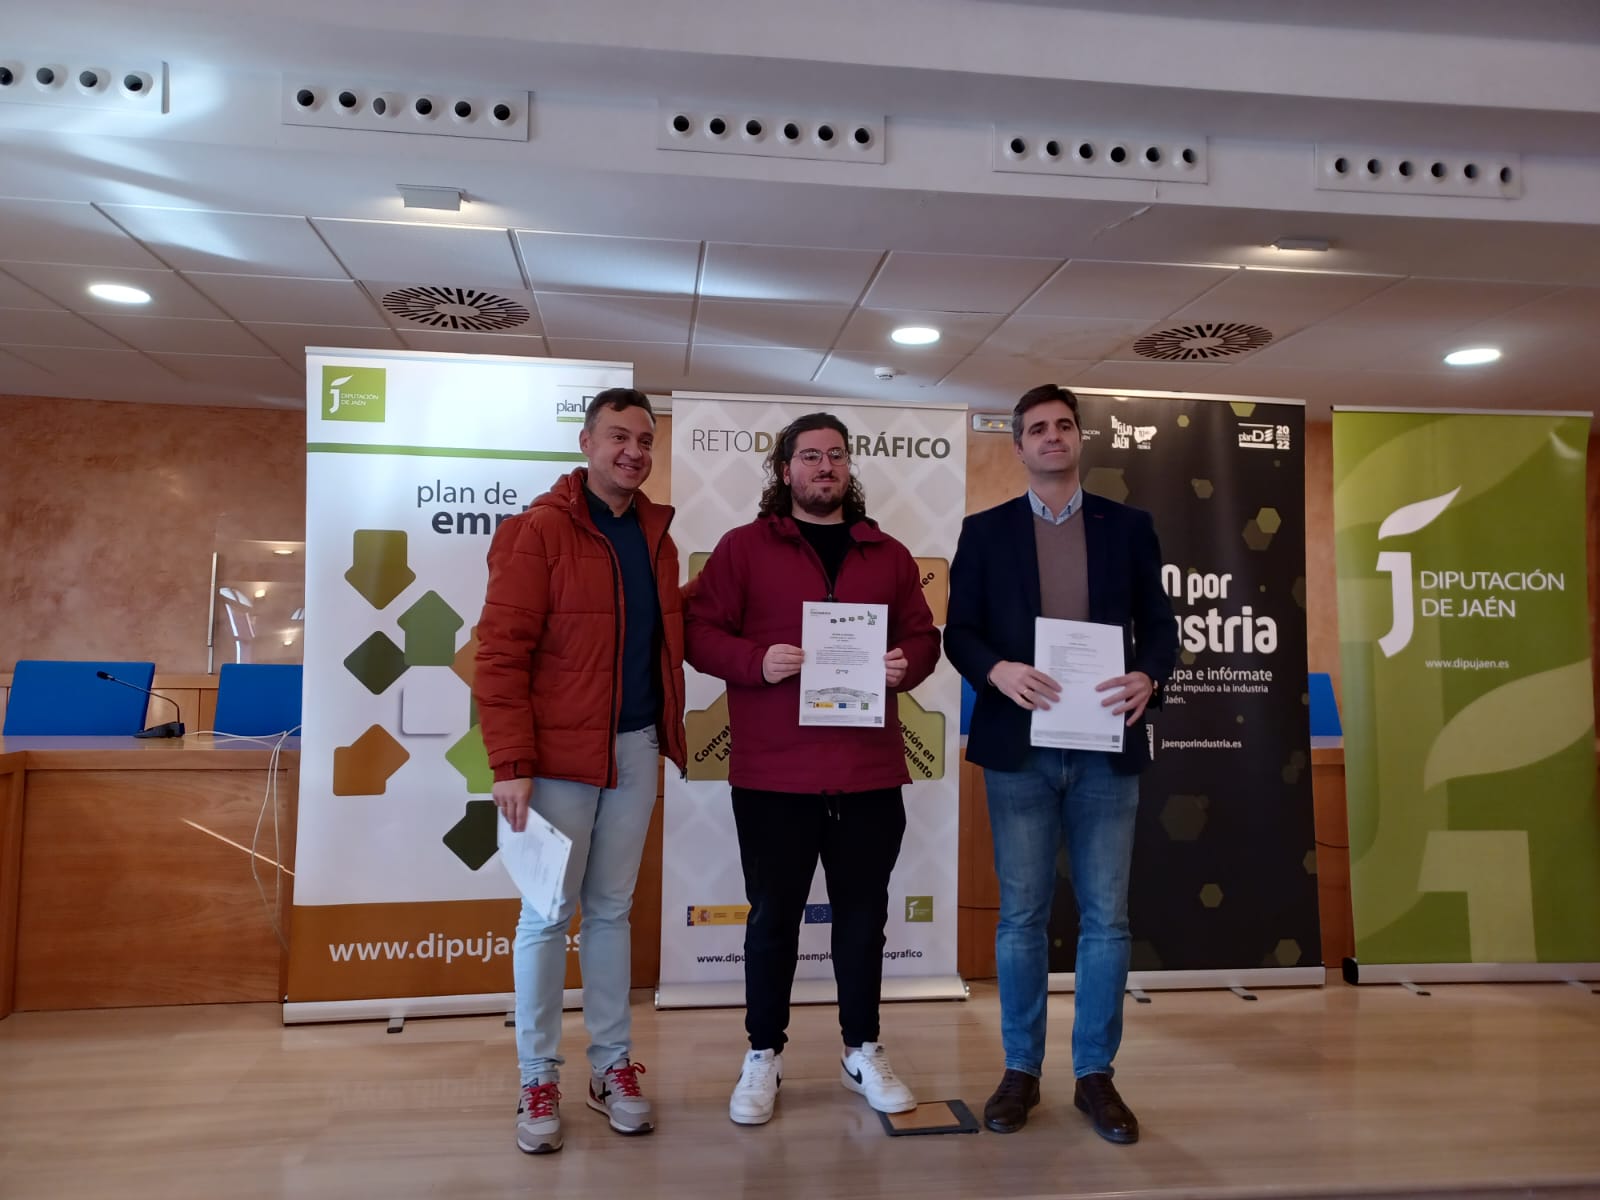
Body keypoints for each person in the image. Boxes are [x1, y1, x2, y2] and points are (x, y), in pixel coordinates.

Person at [685, 411, 942, 1126]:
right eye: (809, 456)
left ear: (848, 468)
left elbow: (924, 636)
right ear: (785, 470)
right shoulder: (742, 548)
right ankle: (762, 1053)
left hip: (868, 771)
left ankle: (862, 1049)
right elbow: (697, 632)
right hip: (774, 775)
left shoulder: (887, 553)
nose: (824, 467)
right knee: (773, 920)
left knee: (863, 920)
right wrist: (755, 661)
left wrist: (908, 664)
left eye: (835, 455)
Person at [945, 384, 1177, 1143]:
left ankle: (1095, 1075)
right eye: (1038, 428)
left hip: (1106, 749)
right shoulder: (985, 531)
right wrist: (997, 670)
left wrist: (1149, 676)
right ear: (1018, 446)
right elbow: (959, 632)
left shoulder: (1129, 526)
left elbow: (1161, 629)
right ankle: (1020, 1070)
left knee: (1107, 920)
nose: (1052, 436)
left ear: (1080, 439)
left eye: (1064, 426)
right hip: (1020, 752)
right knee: (1021, 917)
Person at [474, 387, 687, 1155]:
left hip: (634, 749)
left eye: (646, 440)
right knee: (544, 915)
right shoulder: (538, 531)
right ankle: (537, 1075)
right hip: (557, 758)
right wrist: (511, 762)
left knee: (611, 912)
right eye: (619, 436)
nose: (634, 451)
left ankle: (610, 1068)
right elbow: (500, 653)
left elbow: (668, 631)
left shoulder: (656, 536)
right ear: (587, 442)